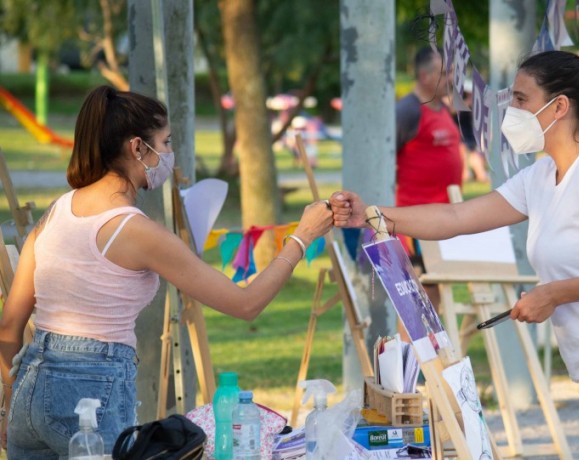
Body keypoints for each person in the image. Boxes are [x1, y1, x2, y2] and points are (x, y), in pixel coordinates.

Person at [331, 50, 579, 458]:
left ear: (559, 106)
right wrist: (372, 215)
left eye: (522, 99)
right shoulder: (541, 175)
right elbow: (455, 217)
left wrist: (554, 293)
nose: (512, 111)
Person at [0, 85, 333, 457]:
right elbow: (245, 304)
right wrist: (302, 237)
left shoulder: (57, 211)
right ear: (138, 148)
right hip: (92, 395)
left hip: (30, 388)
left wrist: (8, 403)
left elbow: (9, 327)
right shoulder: (135, 230)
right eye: (167, 142)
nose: (171, 155)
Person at [395, 46, 463, 208]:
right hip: (417, 217)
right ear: (424, 76)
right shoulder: (407, 110)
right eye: (445, 74)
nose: (452, 79)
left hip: (447, 214)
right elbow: (383, 160)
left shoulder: (444, 108)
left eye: (452, 72)